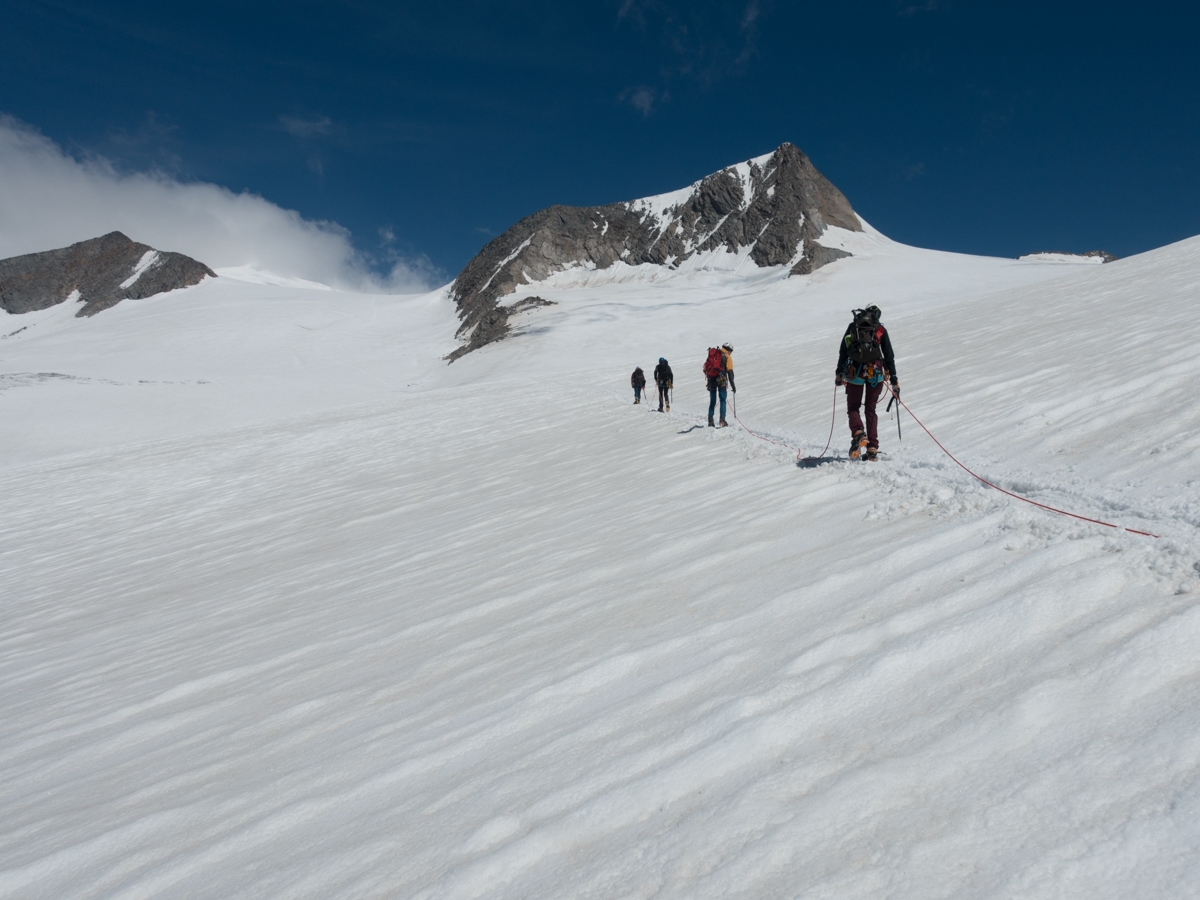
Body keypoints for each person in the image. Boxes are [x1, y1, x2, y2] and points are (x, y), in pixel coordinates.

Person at [835, 306, 898, 460]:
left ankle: (858, 433)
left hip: (855, 371)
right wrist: (894, 380)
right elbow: (888, 355)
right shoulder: (880, 329)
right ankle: (872, 448)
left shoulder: (853, 327)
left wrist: (839, 374)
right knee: (871, 409)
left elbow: (843, 351)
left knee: (853, 407)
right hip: (875, 371)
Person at [704, 343, 735, 427]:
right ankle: (722, 420)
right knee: (722, 399)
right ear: (729, 349)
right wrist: (733, 386)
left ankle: (710, 421)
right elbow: (730, 372)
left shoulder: (714, 354)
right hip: (722, 380)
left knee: (713, 401)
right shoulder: (727, 356)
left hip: (712, 379)